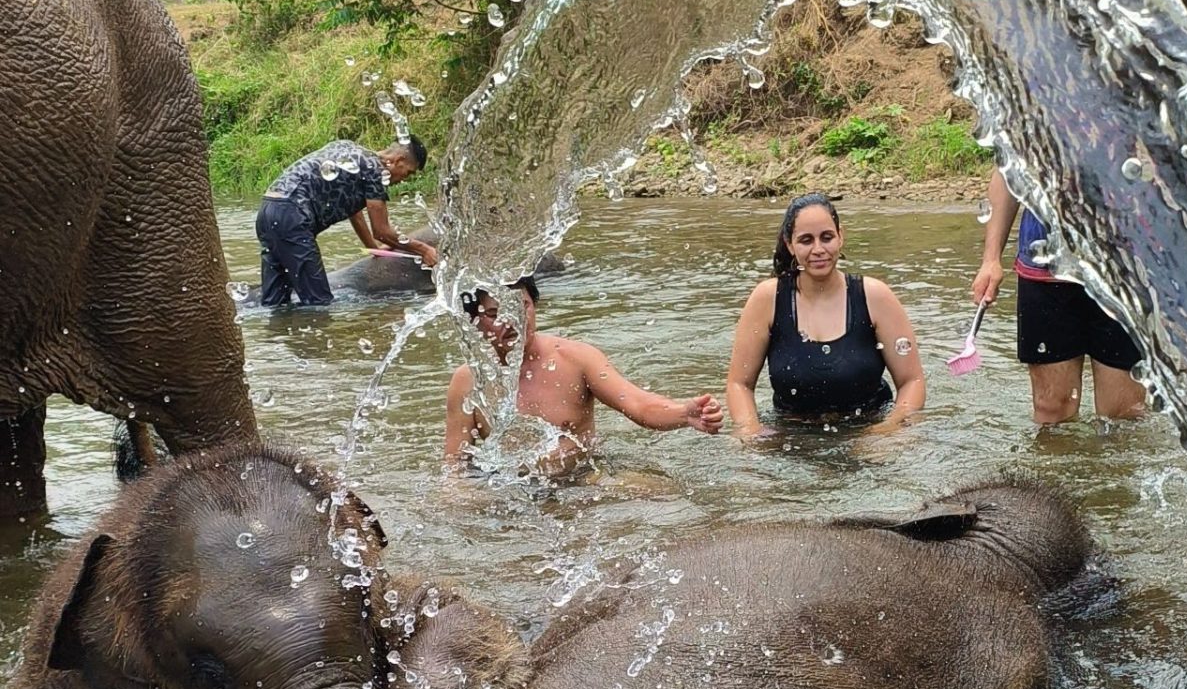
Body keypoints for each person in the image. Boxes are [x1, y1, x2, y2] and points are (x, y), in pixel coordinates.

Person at [444, 274, 724, 467]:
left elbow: (638, 405)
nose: (512, 320)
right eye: (494, 314)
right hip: (510, 491)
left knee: (655, 491)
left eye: (522, 306)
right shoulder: (468, 381)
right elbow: (456, 463)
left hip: (583, 479)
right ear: (474, 320)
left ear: (534, 306)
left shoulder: (575, 359)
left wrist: (684, 414)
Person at [725, 193, 925, 439]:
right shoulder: (767, 299)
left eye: (826, 237)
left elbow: (911, 381)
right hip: (792, 434)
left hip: (868, 430)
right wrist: (749, 430)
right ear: (790, 245)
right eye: (806, 240)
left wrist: (889, 431)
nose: (818, 249)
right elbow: (739, 384)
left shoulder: (875, 296)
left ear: (841, 237)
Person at [970, 170, 1145, 427]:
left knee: (1124, 416)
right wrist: (990, 259)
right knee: (1051, 411)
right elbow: (1007, 172)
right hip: (1043, 266)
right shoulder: (1026, 127)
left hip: (1122, 269)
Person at [256, 136, 437, 308]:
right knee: (319, 304)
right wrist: (425, 250)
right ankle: (314, 339)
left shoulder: (350, 149)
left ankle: (275, 338)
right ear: (398, 160)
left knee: (275, 302)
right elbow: (382, 231)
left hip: (268, 210)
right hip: (292, 217)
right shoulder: (375, 172)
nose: (404, 180)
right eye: (408, 173)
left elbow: (355, 213)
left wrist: (372, 247)